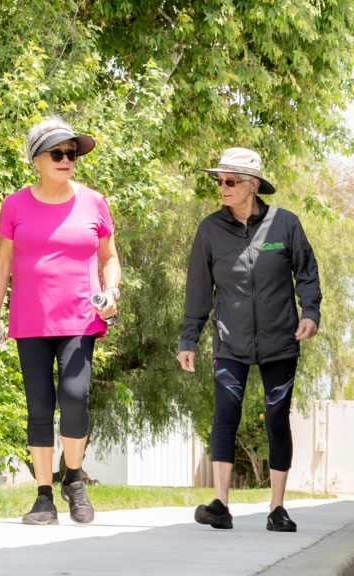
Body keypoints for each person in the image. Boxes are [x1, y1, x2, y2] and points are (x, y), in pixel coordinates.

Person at [177, 147, 321, 532]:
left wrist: (310, 313)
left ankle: (277, 508)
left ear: (252, 185)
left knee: (277, 418)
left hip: (280, 341)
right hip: (230, 342)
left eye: (230, 181)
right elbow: (198, 289)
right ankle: (221, 504)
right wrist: (188, 338)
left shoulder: (285, 225)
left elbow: (307, 273)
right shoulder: (210, 230)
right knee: (225, 416)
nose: (222, 187)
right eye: (219, 181)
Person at [0, 116, 121, 525]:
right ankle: (44, 497)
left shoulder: (94, 202)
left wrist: (111, 292)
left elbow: (109, 258)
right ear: (36, 160)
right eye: (58, 153)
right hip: (29, 320)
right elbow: (3, 263)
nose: (68, 159)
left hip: (81, 317)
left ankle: (74, 480)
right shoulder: (15, 205)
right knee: (40, 407)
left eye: (72, 153)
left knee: (75, 398)